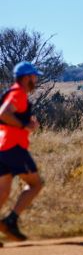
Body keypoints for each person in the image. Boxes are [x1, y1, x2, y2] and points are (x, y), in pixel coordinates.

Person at [0, 61, 43, 243]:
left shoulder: (13, 92)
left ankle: (9, 222)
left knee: (3, 191)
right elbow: (3, 113)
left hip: (2, 146)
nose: (36, 79)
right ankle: (10, 221)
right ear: (26, 78)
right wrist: (25, 125)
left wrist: (27, 125)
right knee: (36, 184)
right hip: (13, 148)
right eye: (34, 76)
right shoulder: (18, 94)